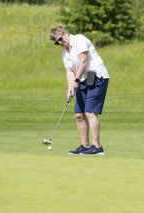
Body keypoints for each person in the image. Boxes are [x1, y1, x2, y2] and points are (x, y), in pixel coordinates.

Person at [49, 26, 109, 155]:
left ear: (65, 33)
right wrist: (70, 87)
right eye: (56, 42)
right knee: (79, 115)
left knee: (90, 112)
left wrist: (76, 81)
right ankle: (85, 146)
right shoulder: (65, 54)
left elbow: (83, 60)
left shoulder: (79, 39)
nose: (60, 43)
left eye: (60, 39)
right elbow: (69, 71)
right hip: (82, 80)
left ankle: (97, 147)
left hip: (97, 76)